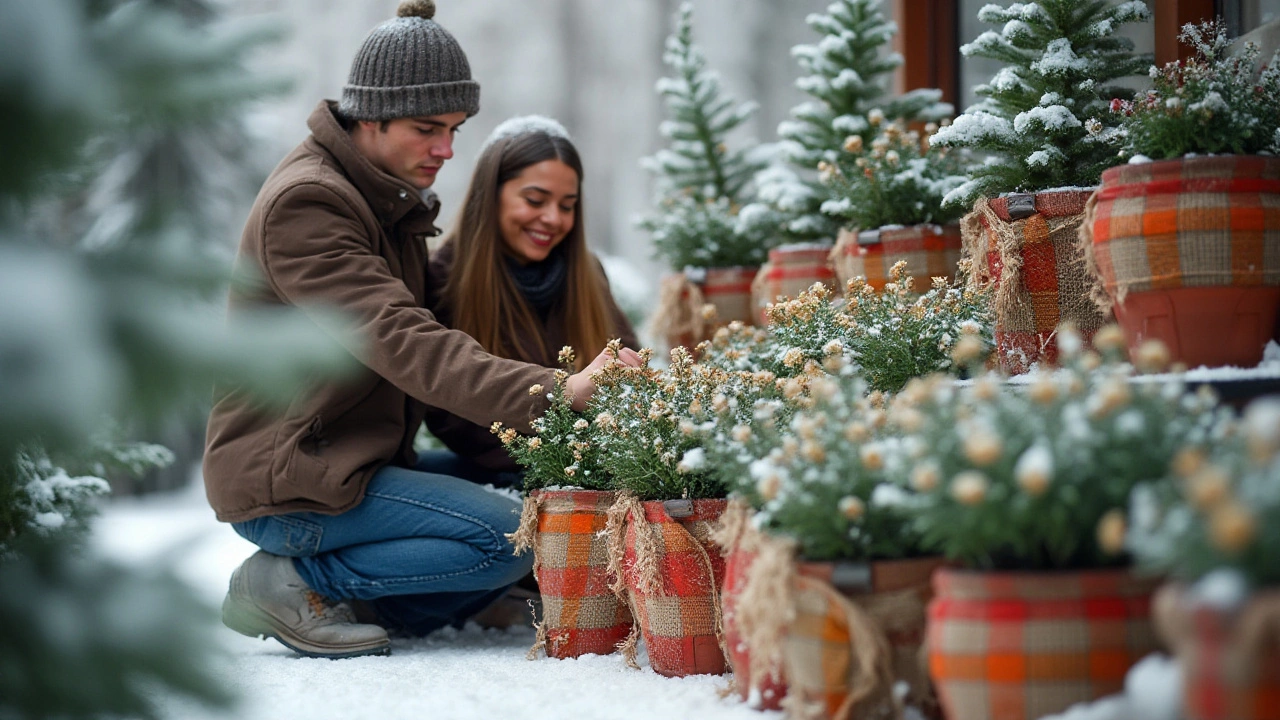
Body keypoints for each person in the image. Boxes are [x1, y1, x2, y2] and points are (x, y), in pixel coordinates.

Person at [203, 0, 640, 659]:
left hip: (353, 460)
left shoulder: (383, 199)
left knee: (538, 495)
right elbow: (408, 343)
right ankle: (291, 580)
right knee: (511, 535)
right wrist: (562, 389)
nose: (446, 149)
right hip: (293, 478)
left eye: (456, 129)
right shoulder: (310, 203)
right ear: (369, 115)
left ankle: (381, 597)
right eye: (427, 128)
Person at [421, 116, 640, 480]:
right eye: (535, 200)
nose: (552, 218)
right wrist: (558, 449)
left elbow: (629, 372)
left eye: (567, 205)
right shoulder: (444, 277)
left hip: (597, 475)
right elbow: (449, 415)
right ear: (489, 195)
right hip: (504, 476)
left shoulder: (586, 272)